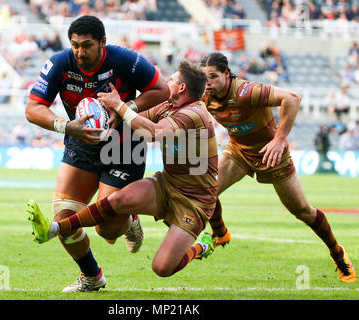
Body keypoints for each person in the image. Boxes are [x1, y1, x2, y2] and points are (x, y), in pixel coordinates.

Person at [26, 60, 218, 278]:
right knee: (117, 201)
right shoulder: (167, 106)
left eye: (171, 79)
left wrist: (120, 106)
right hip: (168, 184)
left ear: (181, 88)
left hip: (194, 201)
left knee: (162, 268)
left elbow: (152, 132)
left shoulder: (194, 115)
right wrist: (105, 117)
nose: (166, 82)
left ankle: (201, 247)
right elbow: (133, 121)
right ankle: (53, 229)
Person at [25, 15, 169, 292]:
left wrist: (127, 108)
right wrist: (65, 126)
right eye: (76, 45)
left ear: (103, 42)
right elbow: (32, 108)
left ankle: (130, 220)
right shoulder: (59, 64)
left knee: (108, 231)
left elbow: (162, 90)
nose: (80, 52)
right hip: (81, 139)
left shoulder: (126, 60)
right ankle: (92, 277)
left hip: (125, 145)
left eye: (87, 45)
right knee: (63, 218)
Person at [199, 52, 356, 283]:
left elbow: (292, 98)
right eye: (205, 78)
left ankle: (337, 253)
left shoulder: (246, 92)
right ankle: (220, 232)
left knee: (302, 211)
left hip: (272, 154)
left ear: (226, 73)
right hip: (239, 152)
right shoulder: (205, 95)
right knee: (204, 188)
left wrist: (280, 139)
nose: (209, 82)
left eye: (213, 76)